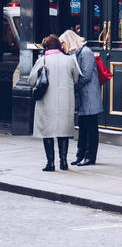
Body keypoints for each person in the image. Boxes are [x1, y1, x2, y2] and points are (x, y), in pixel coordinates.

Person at [27, 35, 80, 171]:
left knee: (48, 132)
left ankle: (50, 163)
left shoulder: (42, 60)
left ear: (46, 47)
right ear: (59, 46)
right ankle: (63, 162)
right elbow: (76, 79)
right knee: (63, 132)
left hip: (46, 102)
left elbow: (31, 81)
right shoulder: (69, 60)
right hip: (66, 102)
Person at [61, 29, 102, 166]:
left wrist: (73, 84)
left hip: (89, 95)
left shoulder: (86, 52)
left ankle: (90, 157)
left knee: (91, 127)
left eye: (63, 43)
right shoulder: (76, 53)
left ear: (69, 41)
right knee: (83, 127)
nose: (62, 47)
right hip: (83, 96)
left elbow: (86, 75)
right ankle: (80, 154)